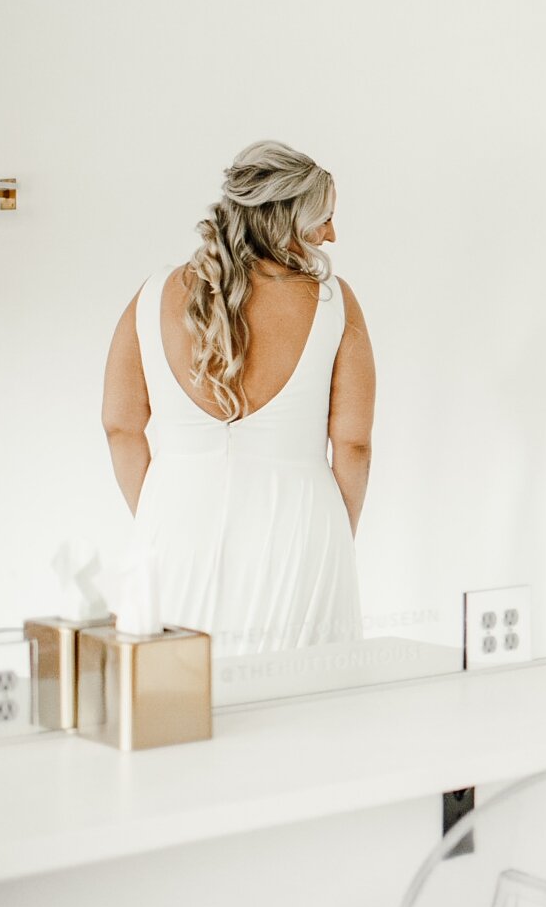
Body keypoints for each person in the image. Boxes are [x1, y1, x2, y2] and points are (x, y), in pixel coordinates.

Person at [100, 140, 371, 657]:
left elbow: (120, 426)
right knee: (307, 705)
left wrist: (159, 513)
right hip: (301, 529)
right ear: (286, 219)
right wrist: (336, 536)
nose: (332, 234)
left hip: (173, 523)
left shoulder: (154, 293)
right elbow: (353, 443)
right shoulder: (334, 300)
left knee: (178, 700)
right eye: (325, 218)